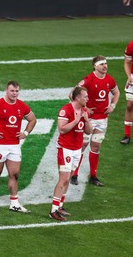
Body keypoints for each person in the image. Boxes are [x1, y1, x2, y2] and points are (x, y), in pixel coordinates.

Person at [0, 80, 37, 213]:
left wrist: (25, 133)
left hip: (14, 145)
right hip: (0, 145)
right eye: (12, 91)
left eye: (16, 91)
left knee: (14, 175)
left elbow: (33, 119)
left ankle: (14, 203)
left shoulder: (22, 106)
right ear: (6, 90)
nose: (15, 93)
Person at [70, 56, 120, 187]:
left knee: (96, 146)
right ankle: (74, 174)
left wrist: (112, 106)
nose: (105, 66)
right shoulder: (88, 80)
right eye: (102, 64)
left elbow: (117, 93)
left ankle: (93, 176)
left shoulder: (109, 79)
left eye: (106, 63)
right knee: (83, 145)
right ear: (95, 66)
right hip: (88, 120)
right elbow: (72, 95)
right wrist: (84, 108)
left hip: (102, 120)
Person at [49, 86, 92, 221]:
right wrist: (76, 119)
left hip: (77, 149)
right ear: (78, 98)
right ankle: (53, 210)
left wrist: (86, 120)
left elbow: (89, 131)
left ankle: (60, 205)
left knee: (69, 177)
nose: (87, 99)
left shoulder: (84, 111)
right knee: (64, 178)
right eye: (85, 97)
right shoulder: (65, 110)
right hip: (65, 148)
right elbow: (62, 130)